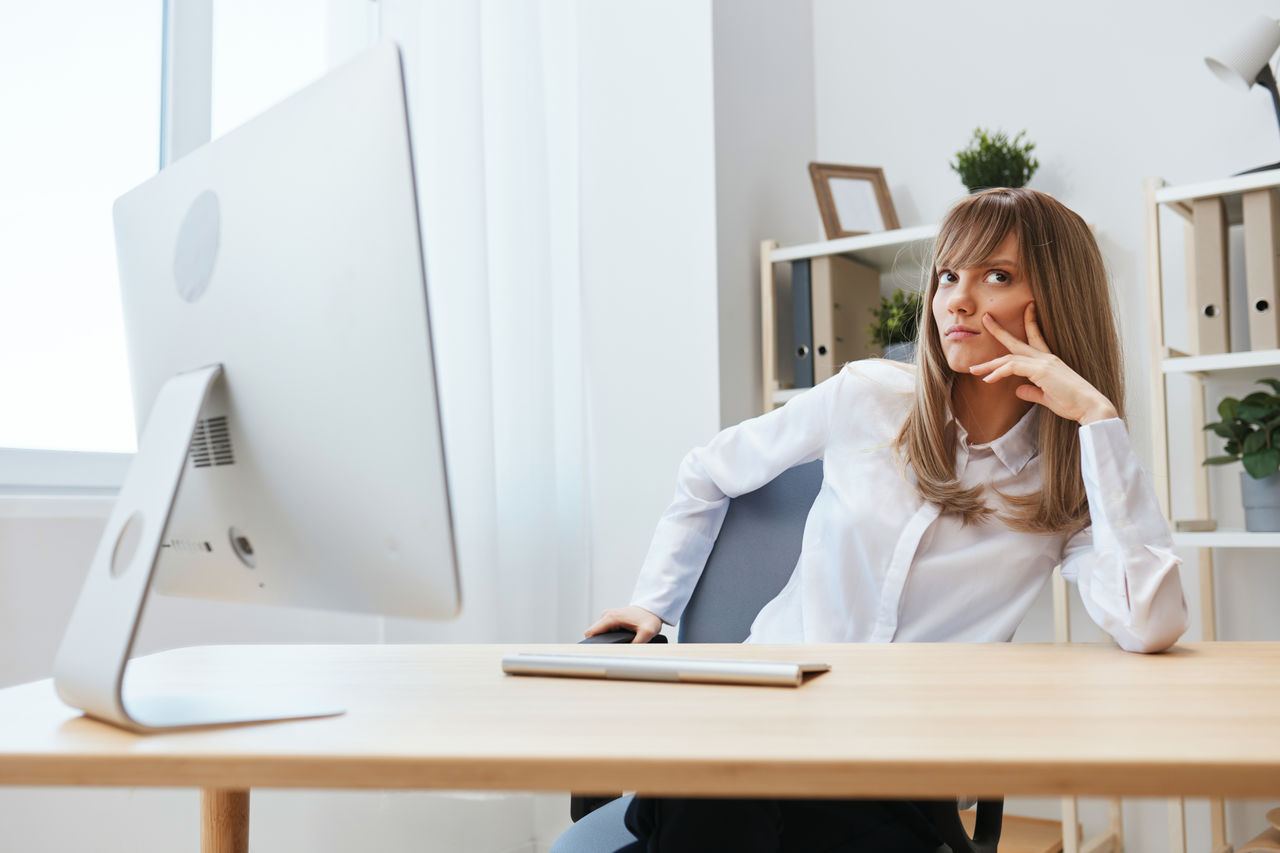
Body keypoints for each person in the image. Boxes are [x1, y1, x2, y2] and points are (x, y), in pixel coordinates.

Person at [583, 187, 1190, 852]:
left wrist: (1097, 422)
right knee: (718, 772)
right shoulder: (867, 398)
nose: (957, 300)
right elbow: (708, 469)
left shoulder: (1067, 483)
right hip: (768, 717)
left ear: (1060, 301)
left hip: (903, 773)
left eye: (997, 276)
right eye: (948, 275)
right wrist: (653, 601)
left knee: (724, 801)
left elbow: (1150, 622)